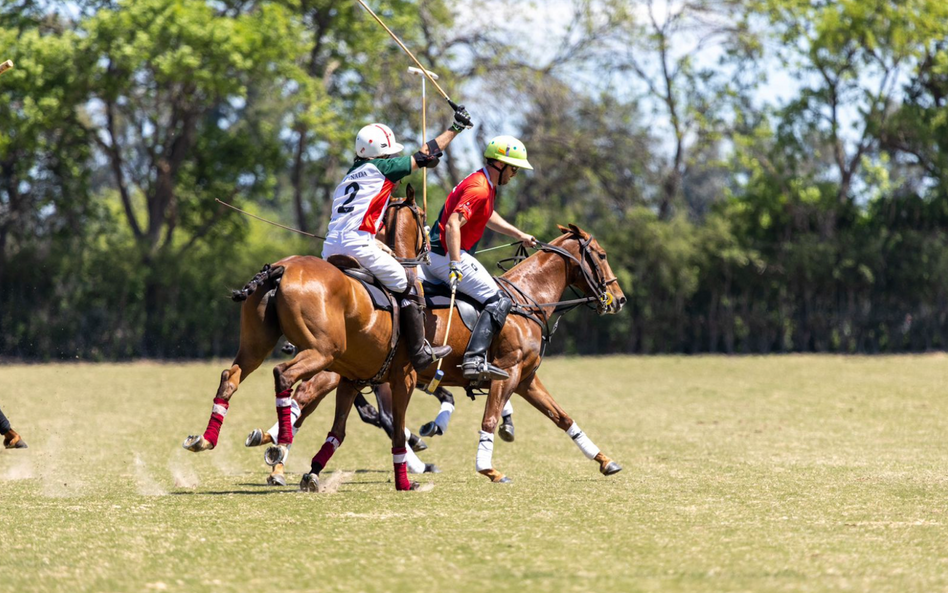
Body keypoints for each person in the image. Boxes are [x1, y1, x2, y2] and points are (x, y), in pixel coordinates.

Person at [321, 107, 473, 371]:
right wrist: (455, 129)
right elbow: (426, 154)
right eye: (390, 153)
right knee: (410, 284)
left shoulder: (347, 177)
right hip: (357, 245)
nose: (393, 157)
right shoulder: (381, 167)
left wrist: (378, 242)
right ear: (382, 153)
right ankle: (419, 352)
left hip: (329, 247)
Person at [425, 135, 536, 382]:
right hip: (446, 256)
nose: (515, 174)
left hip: (442, 254)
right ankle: (474, 359)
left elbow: (486, 215)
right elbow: (454, 223)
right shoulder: (479, 188)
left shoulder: (484, 183)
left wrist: (518, 234)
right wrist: (455, 263)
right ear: (501, 164)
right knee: (499, 301)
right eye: (514, 168)